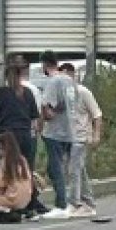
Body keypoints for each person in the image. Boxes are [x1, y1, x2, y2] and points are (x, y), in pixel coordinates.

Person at [0, 62, 44, 219]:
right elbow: (34, 116)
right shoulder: (27, 93)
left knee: (9, 171)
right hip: (25, 134)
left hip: (8, 136)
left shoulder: (1, 93)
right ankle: (30, 203)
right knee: (26, 170)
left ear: (6, 76)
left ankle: (11, 201)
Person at [59, 62, 102, 218]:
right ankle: (89, 202)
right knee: (78, 170)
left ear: (73, 75)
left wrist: (96, 135)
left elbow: (97, 115)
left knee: (74, 170)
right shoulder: (62, 94)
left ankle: (75, 203)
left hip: (80, 137)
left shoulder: (83, 92)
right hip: (66, 138)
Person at [40, 50, 77, 218]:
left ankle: (61, 204)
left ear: (45, 64)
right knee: (69, 167)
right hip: (70, 129)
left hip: (55, 131)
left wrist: (45, 114)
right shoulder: (69, 80)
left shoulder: (53, 82)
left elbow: (47, 109)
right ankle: (74, 200)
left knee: (56, 168)